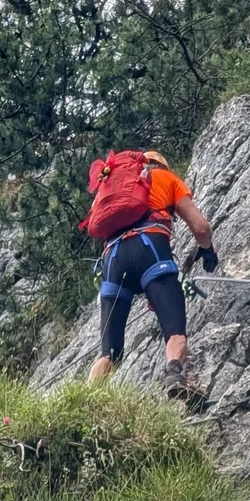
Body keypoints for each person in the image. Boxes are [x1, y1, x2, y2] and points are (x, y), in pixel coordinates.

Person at [85, 153, 220, 403]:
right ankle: (175, 377)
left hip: (112, 260)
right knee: (174, 332)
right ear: (161, 166)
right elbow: (200, 227)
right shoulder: (165, 178)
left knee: (109, 353)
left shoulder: (110, 189)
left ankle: (85, 401)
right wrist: (207, 249)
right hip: (150, 250)